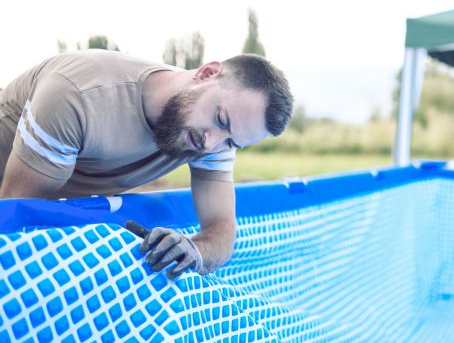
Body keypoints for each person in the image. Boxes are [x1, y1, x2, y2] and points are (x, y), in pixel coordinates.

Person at [0, 49, 293, 278]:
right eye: (221, 120)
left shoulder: (212, 135)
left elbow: (222, 229)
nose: (211, 144)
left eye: (232, 142)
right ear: (206, 73)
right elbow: (15, 218)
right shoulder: (77, 96)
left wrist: (194, 250)